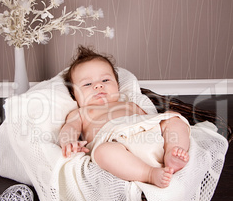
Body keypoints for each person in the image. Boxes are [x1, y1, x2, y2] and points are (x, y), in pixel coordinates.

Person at [59, 45, 190, 188]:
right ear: (74, 94)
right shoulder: (80, 113)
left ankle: (173, 152)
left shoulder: (128, 103)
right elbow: (69, 127)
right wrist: (69, 141)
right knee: (103, 152)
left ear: (117, 85)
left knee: (173, 118)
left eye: (105, 81)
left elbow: (152, 119)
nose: (98, 86)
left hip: (151, 138)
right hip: (118, 147)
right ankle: (150, 173)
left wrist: (164, 126)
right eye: (88, 84)